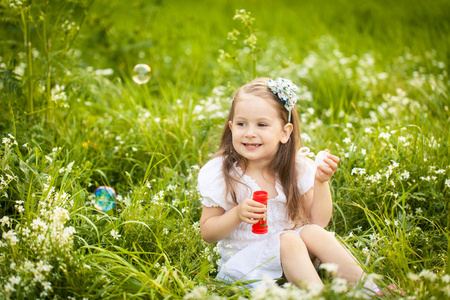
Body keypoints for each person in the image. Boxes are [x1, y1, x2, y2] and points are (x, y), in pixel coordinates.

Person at [197, 77, 379, 292]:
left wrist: (321, 182)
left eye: (262, 124)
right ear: (231, 127)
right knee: (290, 240)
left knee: (311, 232)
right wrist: (236, 214)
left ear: (285, 132)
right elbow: (208, 232)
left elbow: (318, 221)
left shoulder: (296, 168)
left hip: (295, 259)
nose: (249, 132)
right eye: (241, 123)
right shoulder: (223, 172)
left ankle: (373, 290)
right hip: (248, 265)